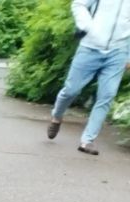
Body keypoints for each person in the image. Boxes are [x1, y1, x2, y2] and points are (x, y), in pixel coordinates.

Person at [47, 0, 130, 155]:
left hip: (118, 52)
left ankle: (87, 140)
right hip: (90, 48)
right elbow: (78, 4)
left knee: (107, 95)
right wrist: (88, 26)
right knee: (71, 90)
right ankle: (57, 116)